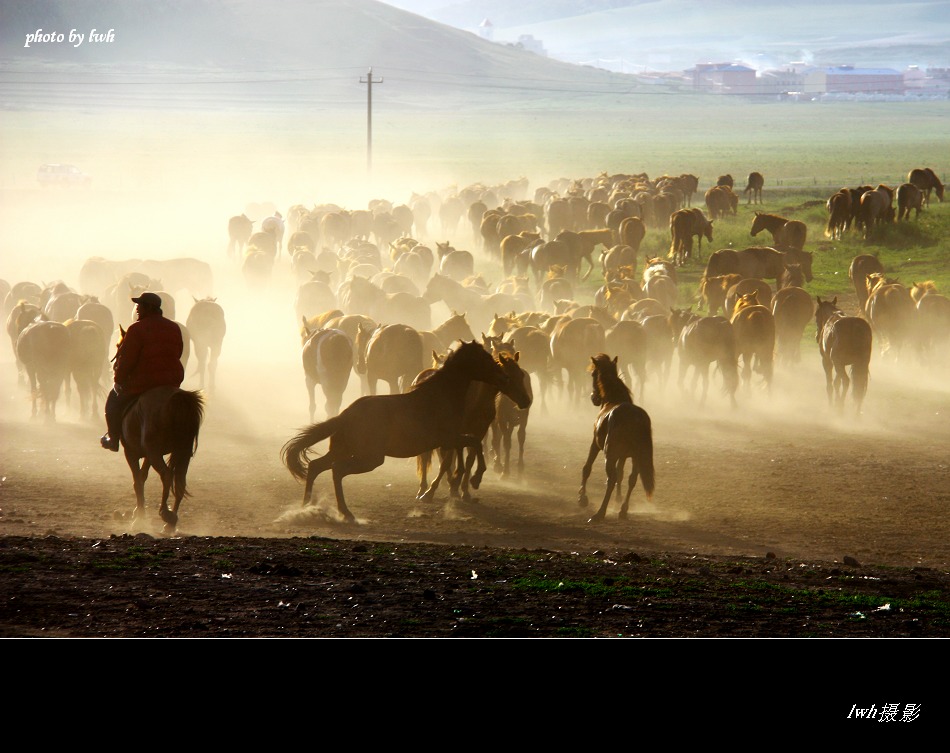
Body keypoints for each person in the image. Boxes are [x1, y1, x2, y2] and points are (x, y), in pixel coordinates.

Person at [100, 291, 184, 451]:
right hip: (171, 381)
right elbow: (178, 352)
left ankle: (113, 438)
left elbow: (127, 359)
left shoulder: (136, 329)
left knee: (113, 402)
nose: (137, 309)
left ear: (149, 308)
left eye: (139, 305)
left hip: (144, 382)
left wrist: (118, 380)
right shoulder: (174, 327)